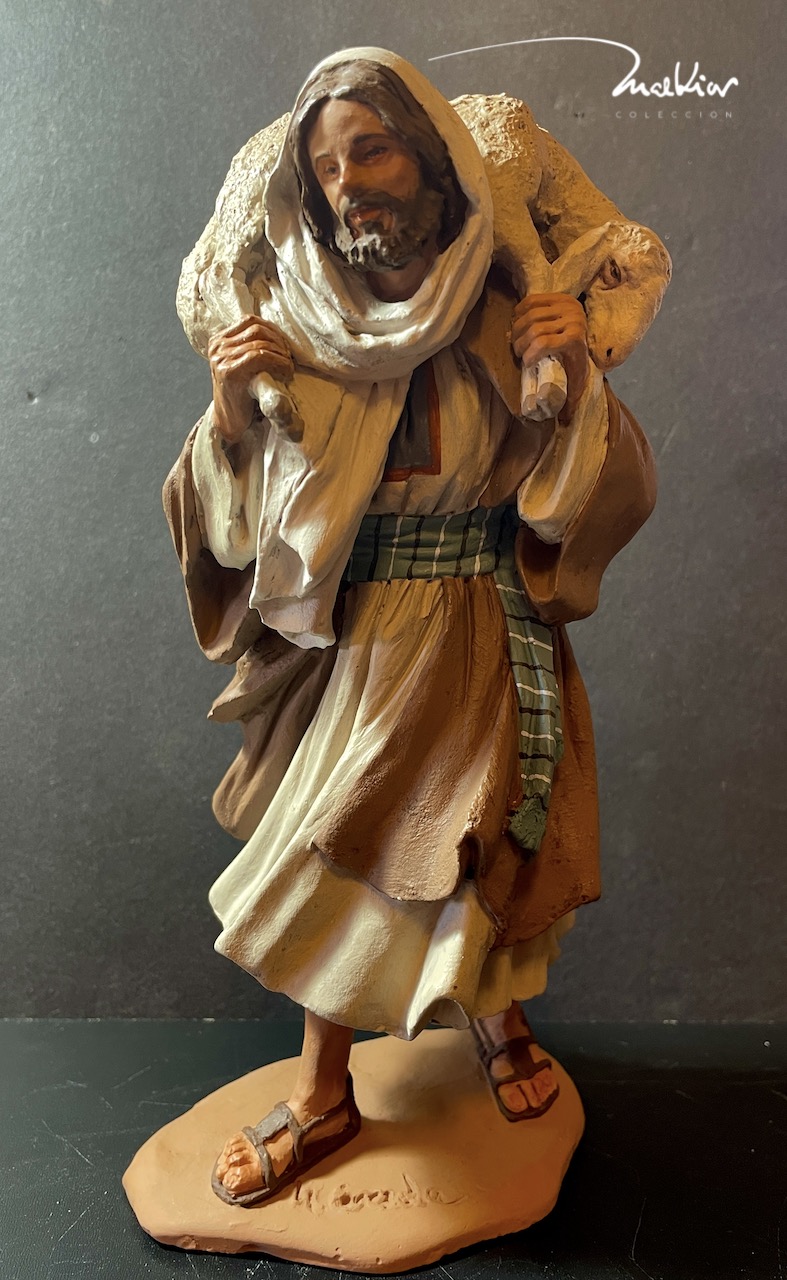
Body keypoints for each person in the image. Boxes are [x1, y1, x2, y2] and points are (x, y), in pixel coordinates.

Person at [164, 48, 661, 1207]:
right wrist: (232, 414)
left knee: (485, 847)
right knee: (340, 857)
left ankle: (497, 1022)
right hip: (363, 642)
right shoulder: (302, 328)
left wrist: (571, 370)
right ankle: (324, 1089)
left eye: (372, 151)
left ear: (434, 161)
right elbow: (235, 522)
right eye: (328, 168)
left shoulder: (502, 307)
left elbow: (581, 494)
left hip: (485, 619)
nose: (350, 186)